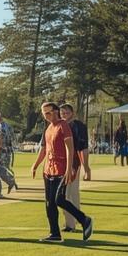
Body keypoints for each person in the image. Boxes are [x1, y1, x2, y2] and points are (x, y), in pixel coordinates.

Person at [31, 101, 93, 244]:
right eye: (44, 113)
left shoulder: (63, 126)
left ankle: (84, 219)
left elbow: (70, 148)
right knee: (49, 203)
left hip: (61, 169)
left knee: (59, 199)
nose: (46, 116)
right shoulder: (48, 129)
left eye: (48, 112)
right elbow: (45, 150)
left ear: (55, 111)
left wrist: (68, 169)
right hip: (49, 170)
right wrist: (36, 165)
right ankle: (55, 233)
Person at [58, 104, 88, 229]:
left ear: (72, 113)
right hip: (60, 163)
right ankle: (77, 219)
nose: (64, 115)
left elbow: (83, 147)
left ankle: (70, 224)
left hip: (73, 163)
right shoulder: (58, 125)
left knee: (68, 194)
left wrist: (86, 167)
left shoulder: (78, 126)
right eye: (62, 113)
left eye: (67, 113)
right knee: (71, 193)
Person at [0, 111, 17, 195]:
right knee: (3, 169)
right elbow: (13, 138)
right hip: (8, 151)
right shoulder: (8, 126)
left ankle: (8, 183)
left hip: (1, 151)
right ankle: (0, 190)